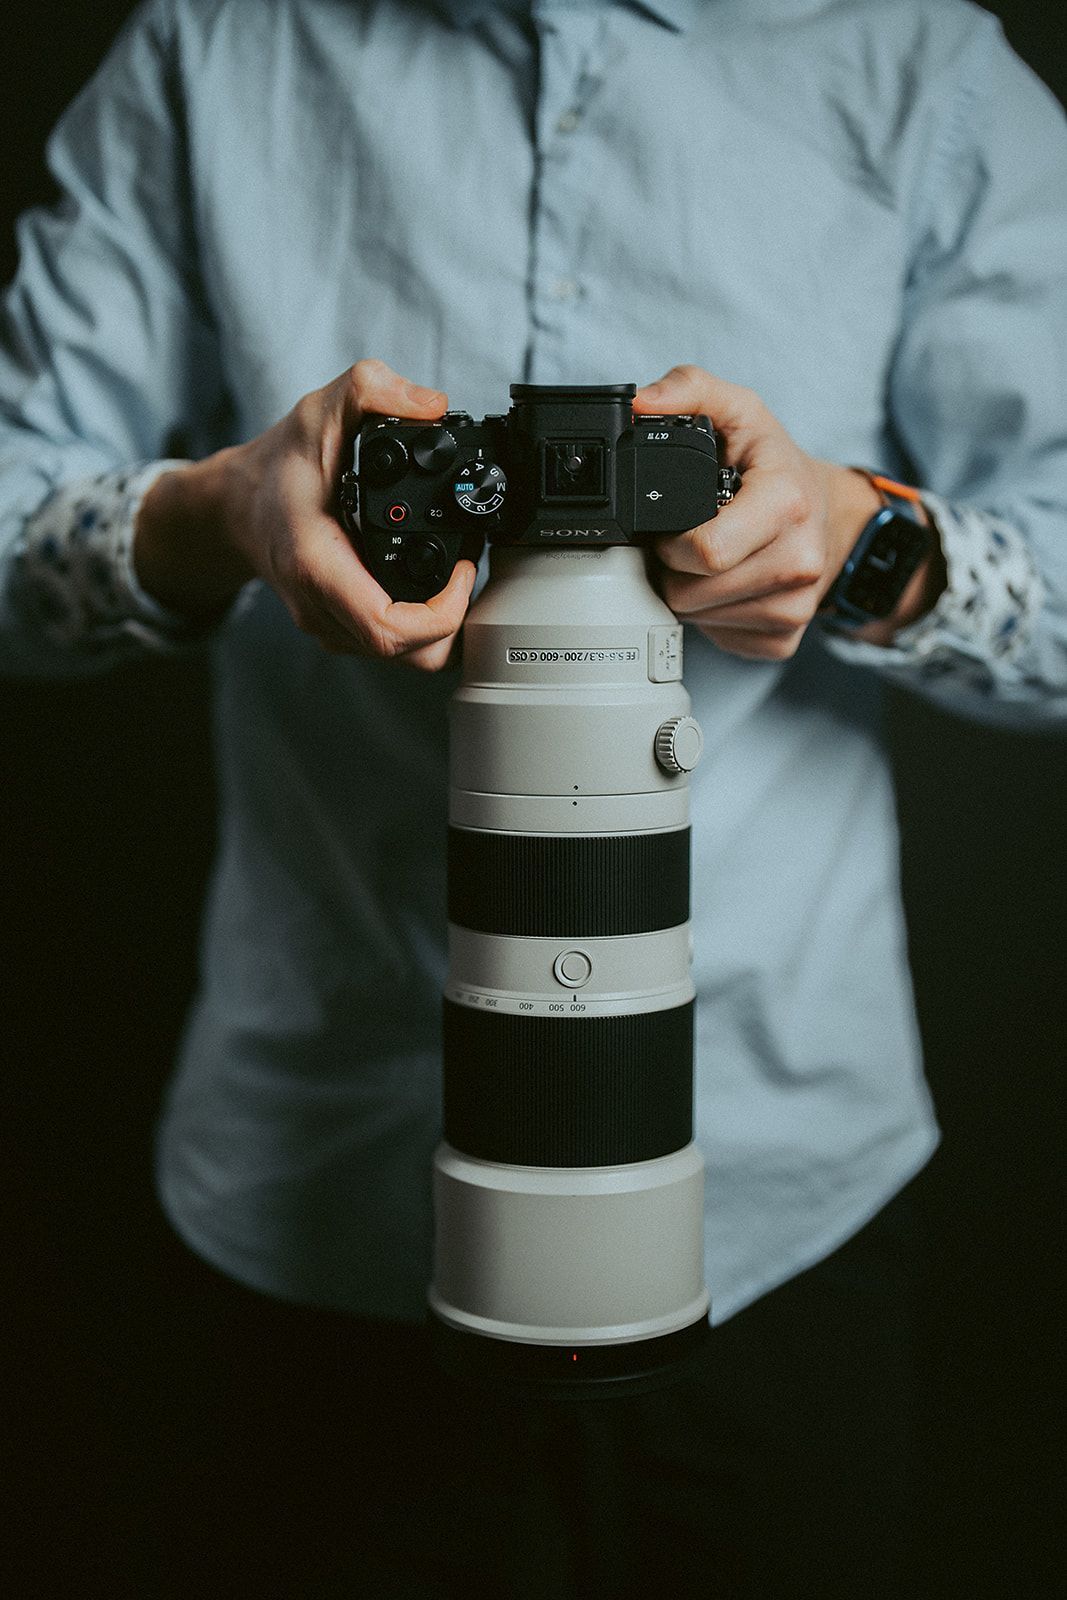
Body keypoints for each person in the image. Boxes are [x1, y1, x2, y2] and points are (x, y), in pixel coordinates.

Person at [2, 1, 1064, 1594]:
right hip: (320, 1183)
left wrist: (860, 536)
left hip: (781, 1191)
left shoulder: (919, 60)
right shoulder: (214, 45)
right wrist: (220, 512)